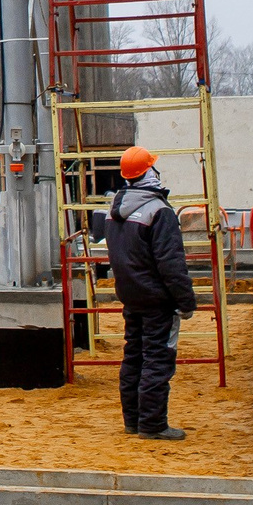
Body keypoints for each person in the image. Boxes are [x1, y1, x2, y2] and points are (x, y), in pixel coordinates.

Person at [93, 145, 196, 439]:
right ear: (150, 171)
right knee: (157, 359)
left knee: (134, 357)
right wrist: (185, 302)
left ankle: (134, 421)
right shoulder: (158, 211)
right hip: (157, 301)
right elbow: (171, 264)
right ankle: (152, 424)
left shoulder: (115, 211)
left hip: (131, 296)